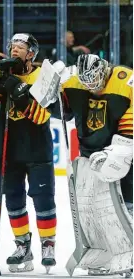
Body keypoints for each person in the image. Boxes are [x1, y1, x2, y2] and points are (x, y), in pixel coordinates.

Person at [51, 54, 132, 276]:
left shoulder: (126, 80)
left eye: (96, 81)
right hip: (88, 155)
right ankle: (101, 252)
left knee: (121, 206)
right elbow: (60, 112)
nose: (93, 87)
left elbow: (130, 125)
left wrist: (116, 152)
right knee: (90, 209)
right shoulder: (74, 82)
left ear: (104, 69)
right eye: (88, 84)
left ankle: (127, 250)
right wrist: (49, 89)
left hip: (120, 151)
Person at [0, 33, 57, 273]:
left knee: (43, 199)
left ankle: (48, 244)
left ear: (31, 53)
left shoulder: (42, 76)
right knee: (14, 200)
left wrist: (17, 90)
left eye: (21, 47)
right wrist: (1, 80)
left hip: (37, 148)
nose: (14, 50)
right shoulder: (3, 75)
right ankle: (22, 246)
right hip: (8, 149)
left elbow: (41, 116)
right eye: (12, 46)